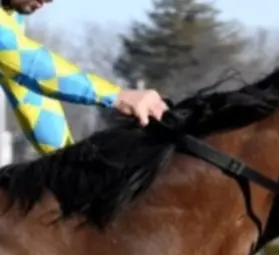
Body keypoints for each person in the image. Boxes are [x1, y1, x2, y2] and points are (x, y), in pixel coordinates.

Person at [0, 0, 169, 156]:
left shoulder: (11, 15)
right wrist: (117, 96)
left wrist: (66, 162)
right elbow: (27, 63)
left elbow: (28, 91)